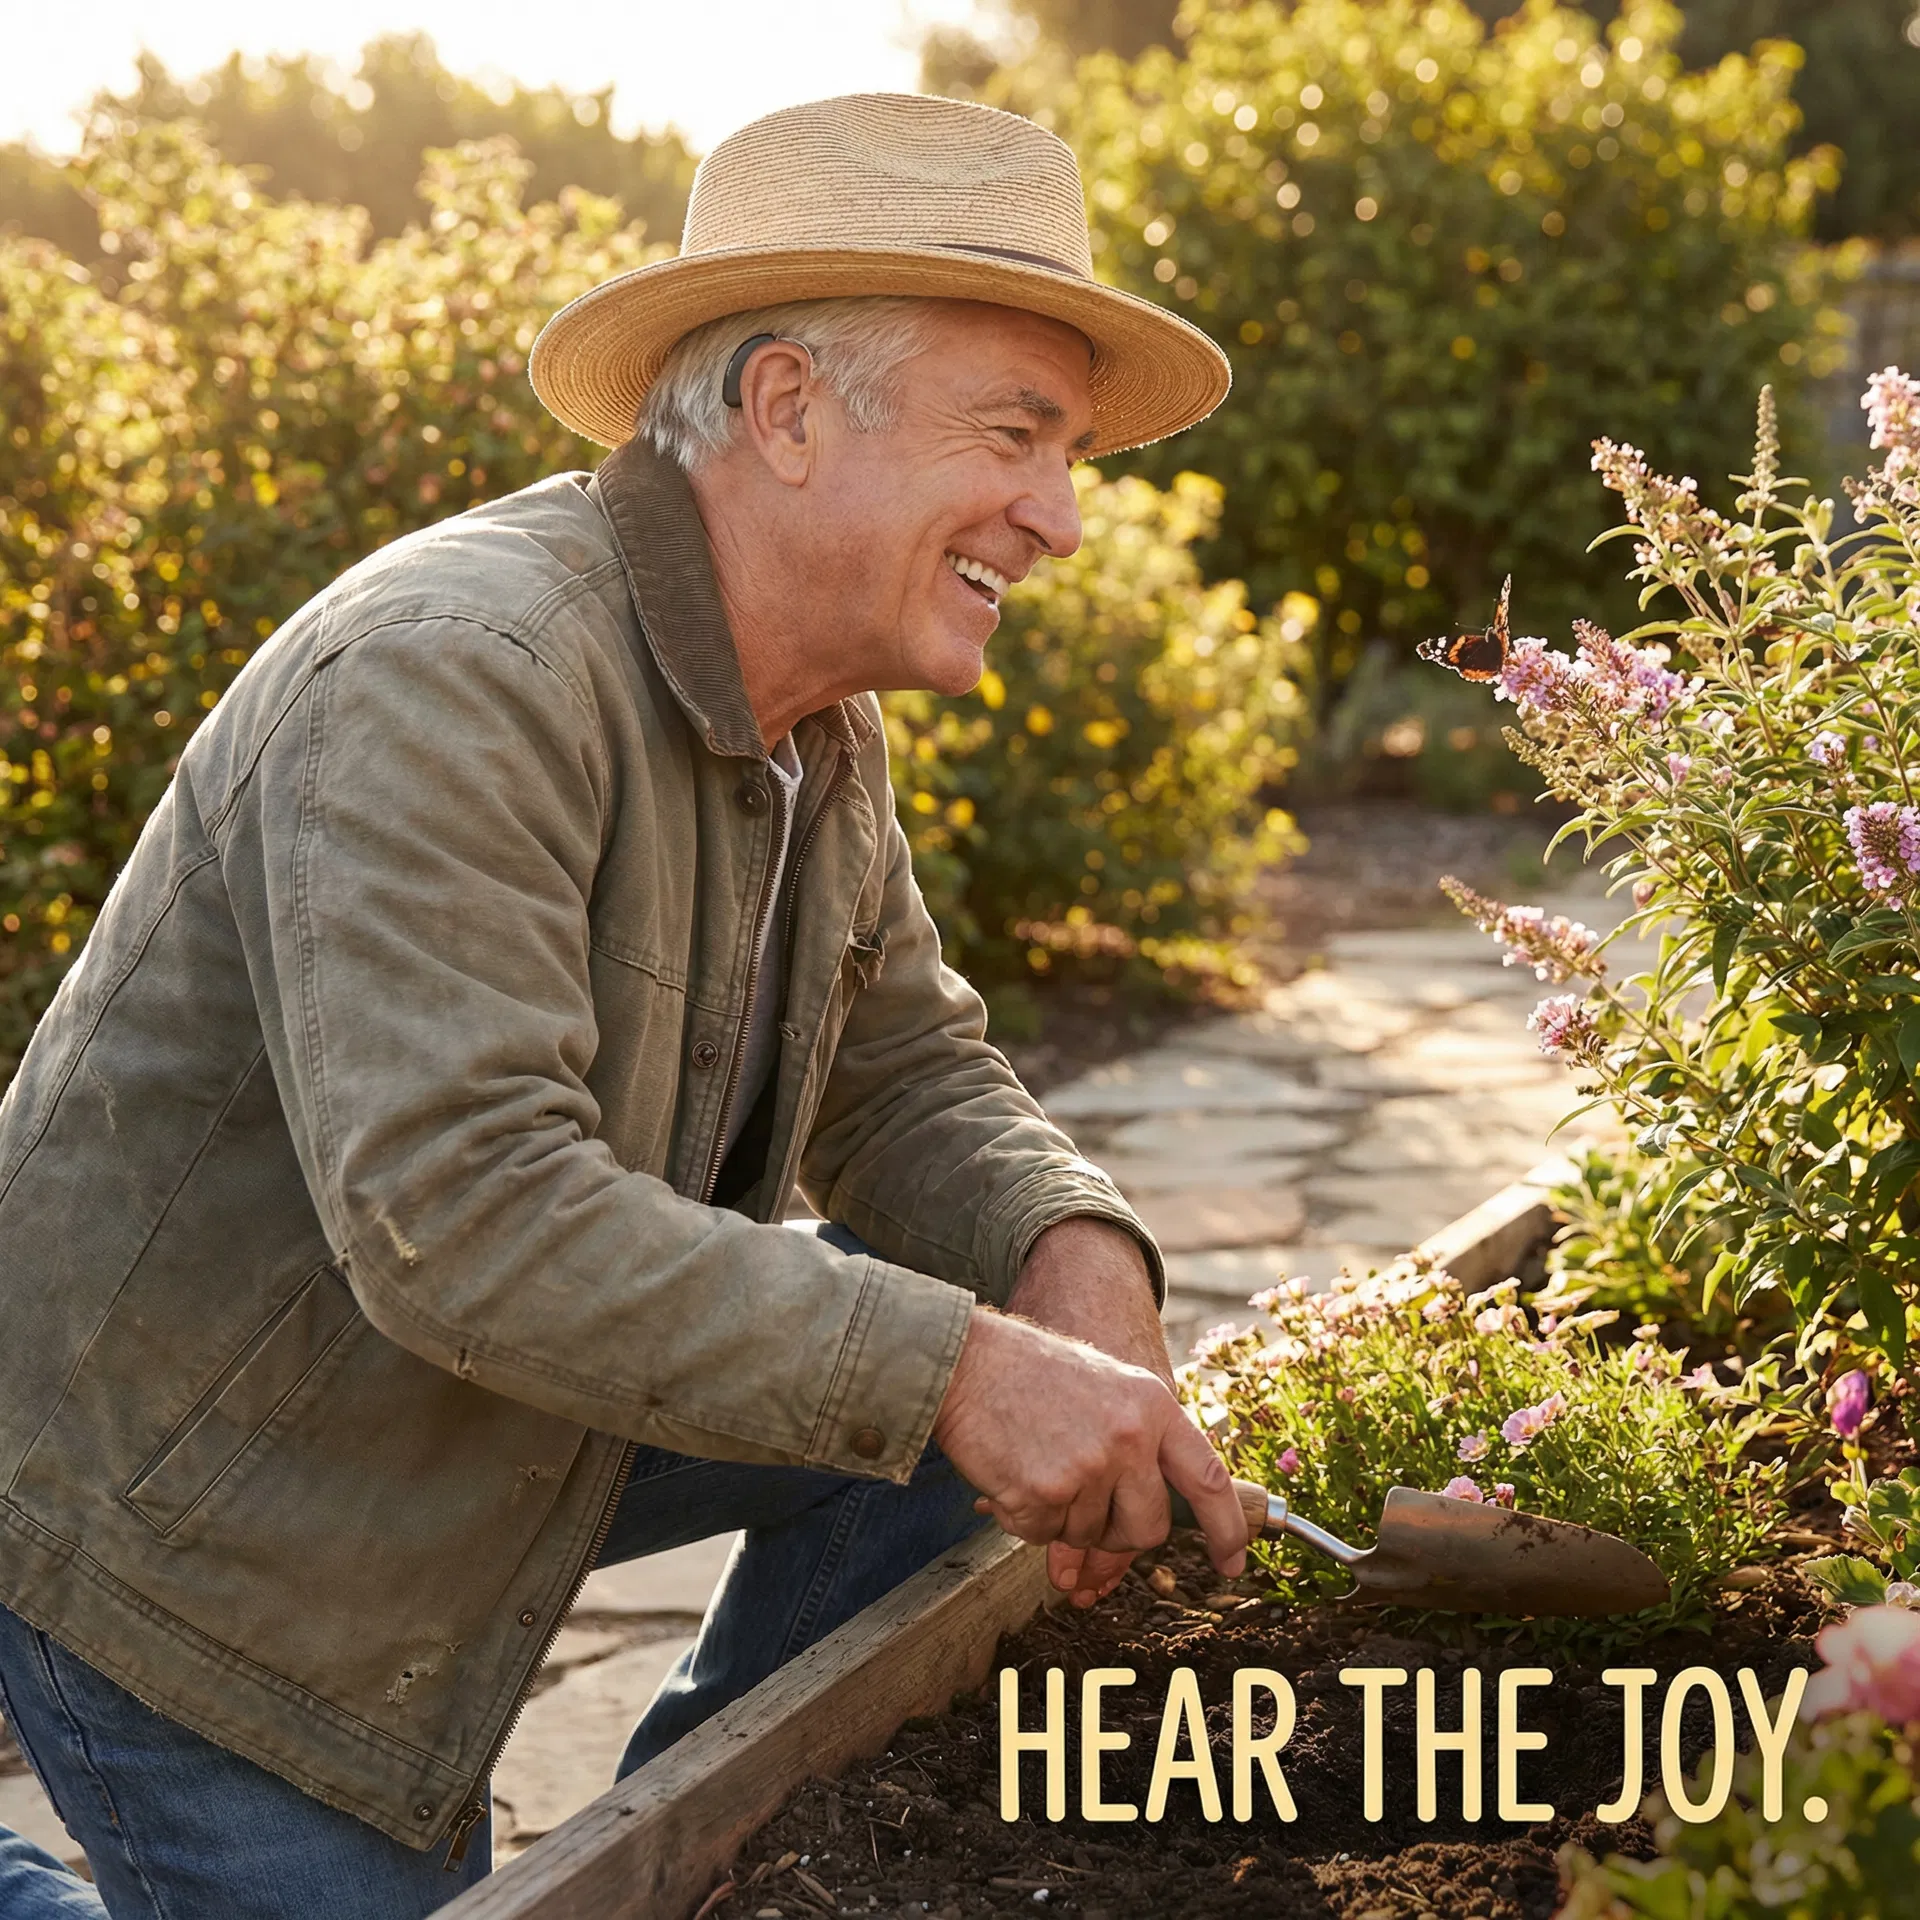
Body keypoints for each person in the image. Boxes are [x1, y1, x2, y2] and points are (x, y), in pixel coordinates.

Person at [0, 91, 1247, 1917]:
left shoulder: (811, 713)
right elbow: (467, 1218)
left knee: (983, 1403)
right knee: (953, 1382)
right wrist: (966, 1365)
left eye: (1070, 456)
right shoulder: (456, 673)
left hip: (471, 1401)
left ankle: (678, 1868)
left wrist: (1080, 1279)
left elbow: (907, 1073)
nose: (1058, 519)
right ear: (790, 411)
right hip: (199, 1514)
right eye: (1016, 437)